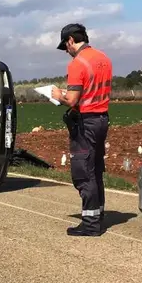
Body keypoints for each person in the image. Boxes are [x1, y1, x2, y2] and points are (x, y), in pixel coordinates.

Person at [50, 23, 112, 236]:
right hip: (102, 119)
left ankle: (90, 224)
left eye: (65, 47)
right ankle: (98, 214)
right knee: (95, 168)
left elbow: (72, 99)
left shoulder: (77, 64)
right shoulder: (103, 58)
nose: (66, 52)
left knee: (84, 171)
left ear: (70, 41)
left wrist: (58, 95)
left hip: (86, 122)